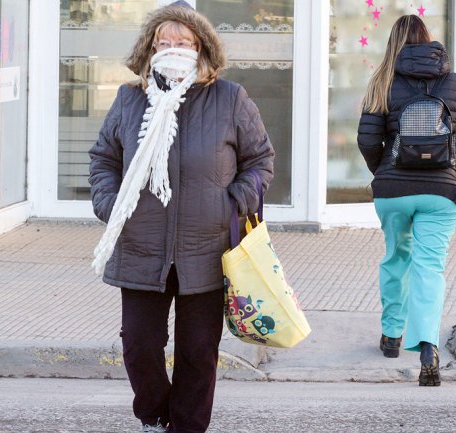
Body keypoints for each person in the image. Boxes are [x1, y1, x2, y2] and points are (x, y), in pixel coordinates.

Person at [88, 1, 274, 431]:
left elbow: (260, 160)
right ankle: (154, 415)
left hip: (207, 249)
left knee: (198, 352)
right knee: (139, 348)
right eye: (163, 42)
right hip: (140, 245)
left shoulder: (229, 99)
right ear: (150, 48)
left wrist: (233, 204)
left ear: (201, 47)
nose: (172, 49)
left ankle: (187, 427)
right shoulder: (130, 98)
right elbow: (103, 158)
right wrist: (109, 203)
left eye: (183, 42)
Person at [357, 15, 456, 386]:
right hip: (441, 195)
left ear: (395, 44)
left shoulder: (382, 82)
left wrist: (383, 172)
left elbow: (367, 140)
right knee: (429, 267)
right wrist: (454, 174)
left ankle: (391, 335)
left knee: (396, 256)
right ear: (430, 43)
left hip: (393, 192)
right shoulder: (455, 84)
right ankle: (428, 344)